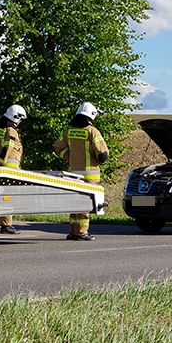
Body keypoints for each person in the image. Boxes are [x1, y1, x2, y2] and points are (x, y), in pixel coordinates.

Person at [53, 102, 109, 241]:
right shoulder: (92, 131)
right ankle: (82, 233)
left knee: (75, 203)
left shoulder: (69, 131)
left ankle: (73, 231)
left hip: (73, 174)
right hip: (90, 175)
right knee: (85, 204)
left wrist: (68, 156)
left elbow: (56, 148)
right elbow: (103, 155)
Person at [0, 104, 27, 234]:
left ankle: (0, 223)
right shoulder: (11, 131)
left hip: (0, 168)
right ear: (16, 118)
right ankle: (6, 225)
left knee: (1, 196)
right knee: (8, 197)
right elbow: (7, 148)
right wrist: (0, 162)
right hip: (9, 170)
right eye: (20, 120)